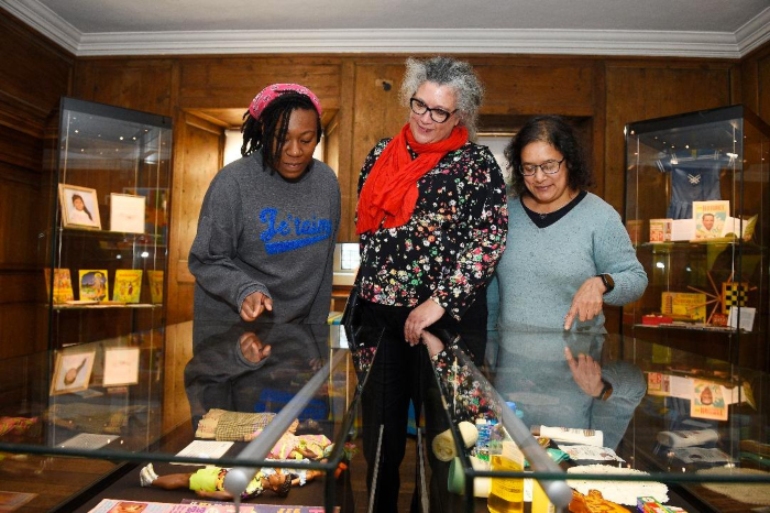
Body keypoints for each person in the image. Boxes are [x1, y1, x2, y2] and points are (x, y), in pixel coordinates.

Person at [354, 56, 508, 512]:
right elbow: (371, 236)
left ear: (460, 115)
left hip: (446, 323)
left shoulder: (477, 163)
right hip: (379, 322)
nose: (424, 118)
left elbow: (489, 240)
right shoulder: (381, 153)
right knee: (378, 438)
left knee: (444, 440)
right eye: (419, 104)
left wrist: (436, 304)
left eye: (438, 111)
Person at [188, 83, 341, 347]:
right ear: (263, 132)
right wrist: (244, 289)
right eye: (281, 138)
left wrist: (316, 337)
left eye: (306, 140)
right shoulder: (232, 183)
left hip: (296, 338)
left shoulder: (326, 182)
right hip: (233, 336)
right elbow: (206, 259)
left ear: (318, 136)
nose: (294, 151)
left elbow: (324, 268)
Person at [489, 114, 647, 334]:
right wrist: (489, 344)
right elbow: (493, 288)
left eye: (549, 166)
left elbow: (636, 280)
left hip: (578, 359)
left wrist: (602, 282)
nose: (539, 177)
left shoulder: (599, 215)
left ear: (569, 161)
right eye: (529, 168)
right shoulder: (506, 214)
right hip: (511, 359)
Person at [138, 462, 322, 500]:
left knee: (183, 479)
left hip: (214, 482)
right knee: (187, 475)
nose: (276, 473)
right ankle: (155, 478)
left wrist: (206, 494)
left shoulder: (253, 489)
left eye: (278, 477)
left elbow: (229, 494)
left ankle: (152, 482)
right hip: (219, 473)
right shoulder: (260, 478)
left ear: (275, 486)